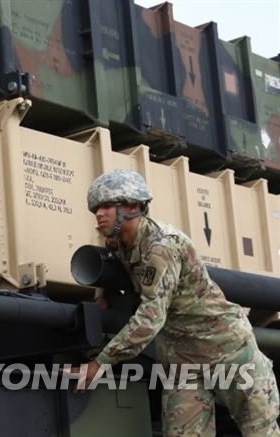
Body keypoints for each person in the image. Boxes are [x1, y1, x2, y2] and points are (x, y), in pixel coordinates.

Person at [79, 169, 280, 436]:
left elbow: (150, 318)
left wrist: (101, 362)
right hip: (182, 361)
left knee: (260, 431)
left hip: (227, 351)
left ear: (132, 206)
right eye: (96, 209)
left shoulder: (162, 247)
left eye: (106, 206)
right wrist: (101, 296)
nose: (99, 214)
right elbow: (111, 265)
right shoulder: (118, 242)